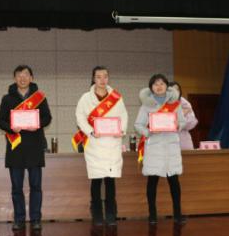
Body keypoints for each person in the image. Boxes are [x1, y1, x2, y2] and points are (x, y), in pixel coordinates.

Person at [0, 65, 52, 231]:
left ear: (31, 78)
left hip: (35, 146)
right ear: (15, 78)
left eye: (26, 75)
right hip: (16, 147)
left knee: (36, 186)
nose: (22, 78)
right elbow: (0, 121)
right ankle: (19, 219)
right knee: (16, 188)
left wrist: (38, 124)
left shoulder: (39, 98)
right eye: (19, 75)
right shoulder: (7, 99)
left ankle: (35, 219)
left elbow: (48, 118)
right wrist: (11, 128)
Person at [74, 66, 128, 226]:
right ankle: (97, 214)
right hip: (95, 144)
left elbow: (124, 115)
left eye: (105, 76)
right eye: (98, 77)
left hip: (112, 143)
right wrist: (90, 131)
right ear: (93, 79)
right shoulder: (85, 98)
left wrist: (121, 130)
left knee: (110, 181)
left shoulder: (116, 97)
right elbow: (79, 117)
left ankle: (111, 214)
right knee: (96, 180)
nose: (102, 80)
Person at [134, 74, 187, 225]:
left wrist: (177, 125)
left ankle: (177, 214)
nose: (159, 86)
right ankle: (152, 215)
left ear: (166, 86)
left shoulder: (175, 104)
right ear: (151, 87)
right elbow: (138, 125)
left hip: (171, 146)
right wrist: (149, 132)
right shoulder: (146, 105)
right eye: (155, 84)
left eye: (162, 83)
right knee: (152, 181)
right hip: (154, 147)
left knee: (174, 181)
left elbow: (182, 122)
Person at [170, 81, 198, 150]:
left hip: (183, 141)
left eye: (177, 89)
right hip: (167, 141)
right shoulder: (161, 104)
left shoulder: (185, 104)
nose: (175, 92)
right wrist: (181, 114)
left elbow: (192, 122)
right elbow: (164, 122)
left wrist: (178, 121)